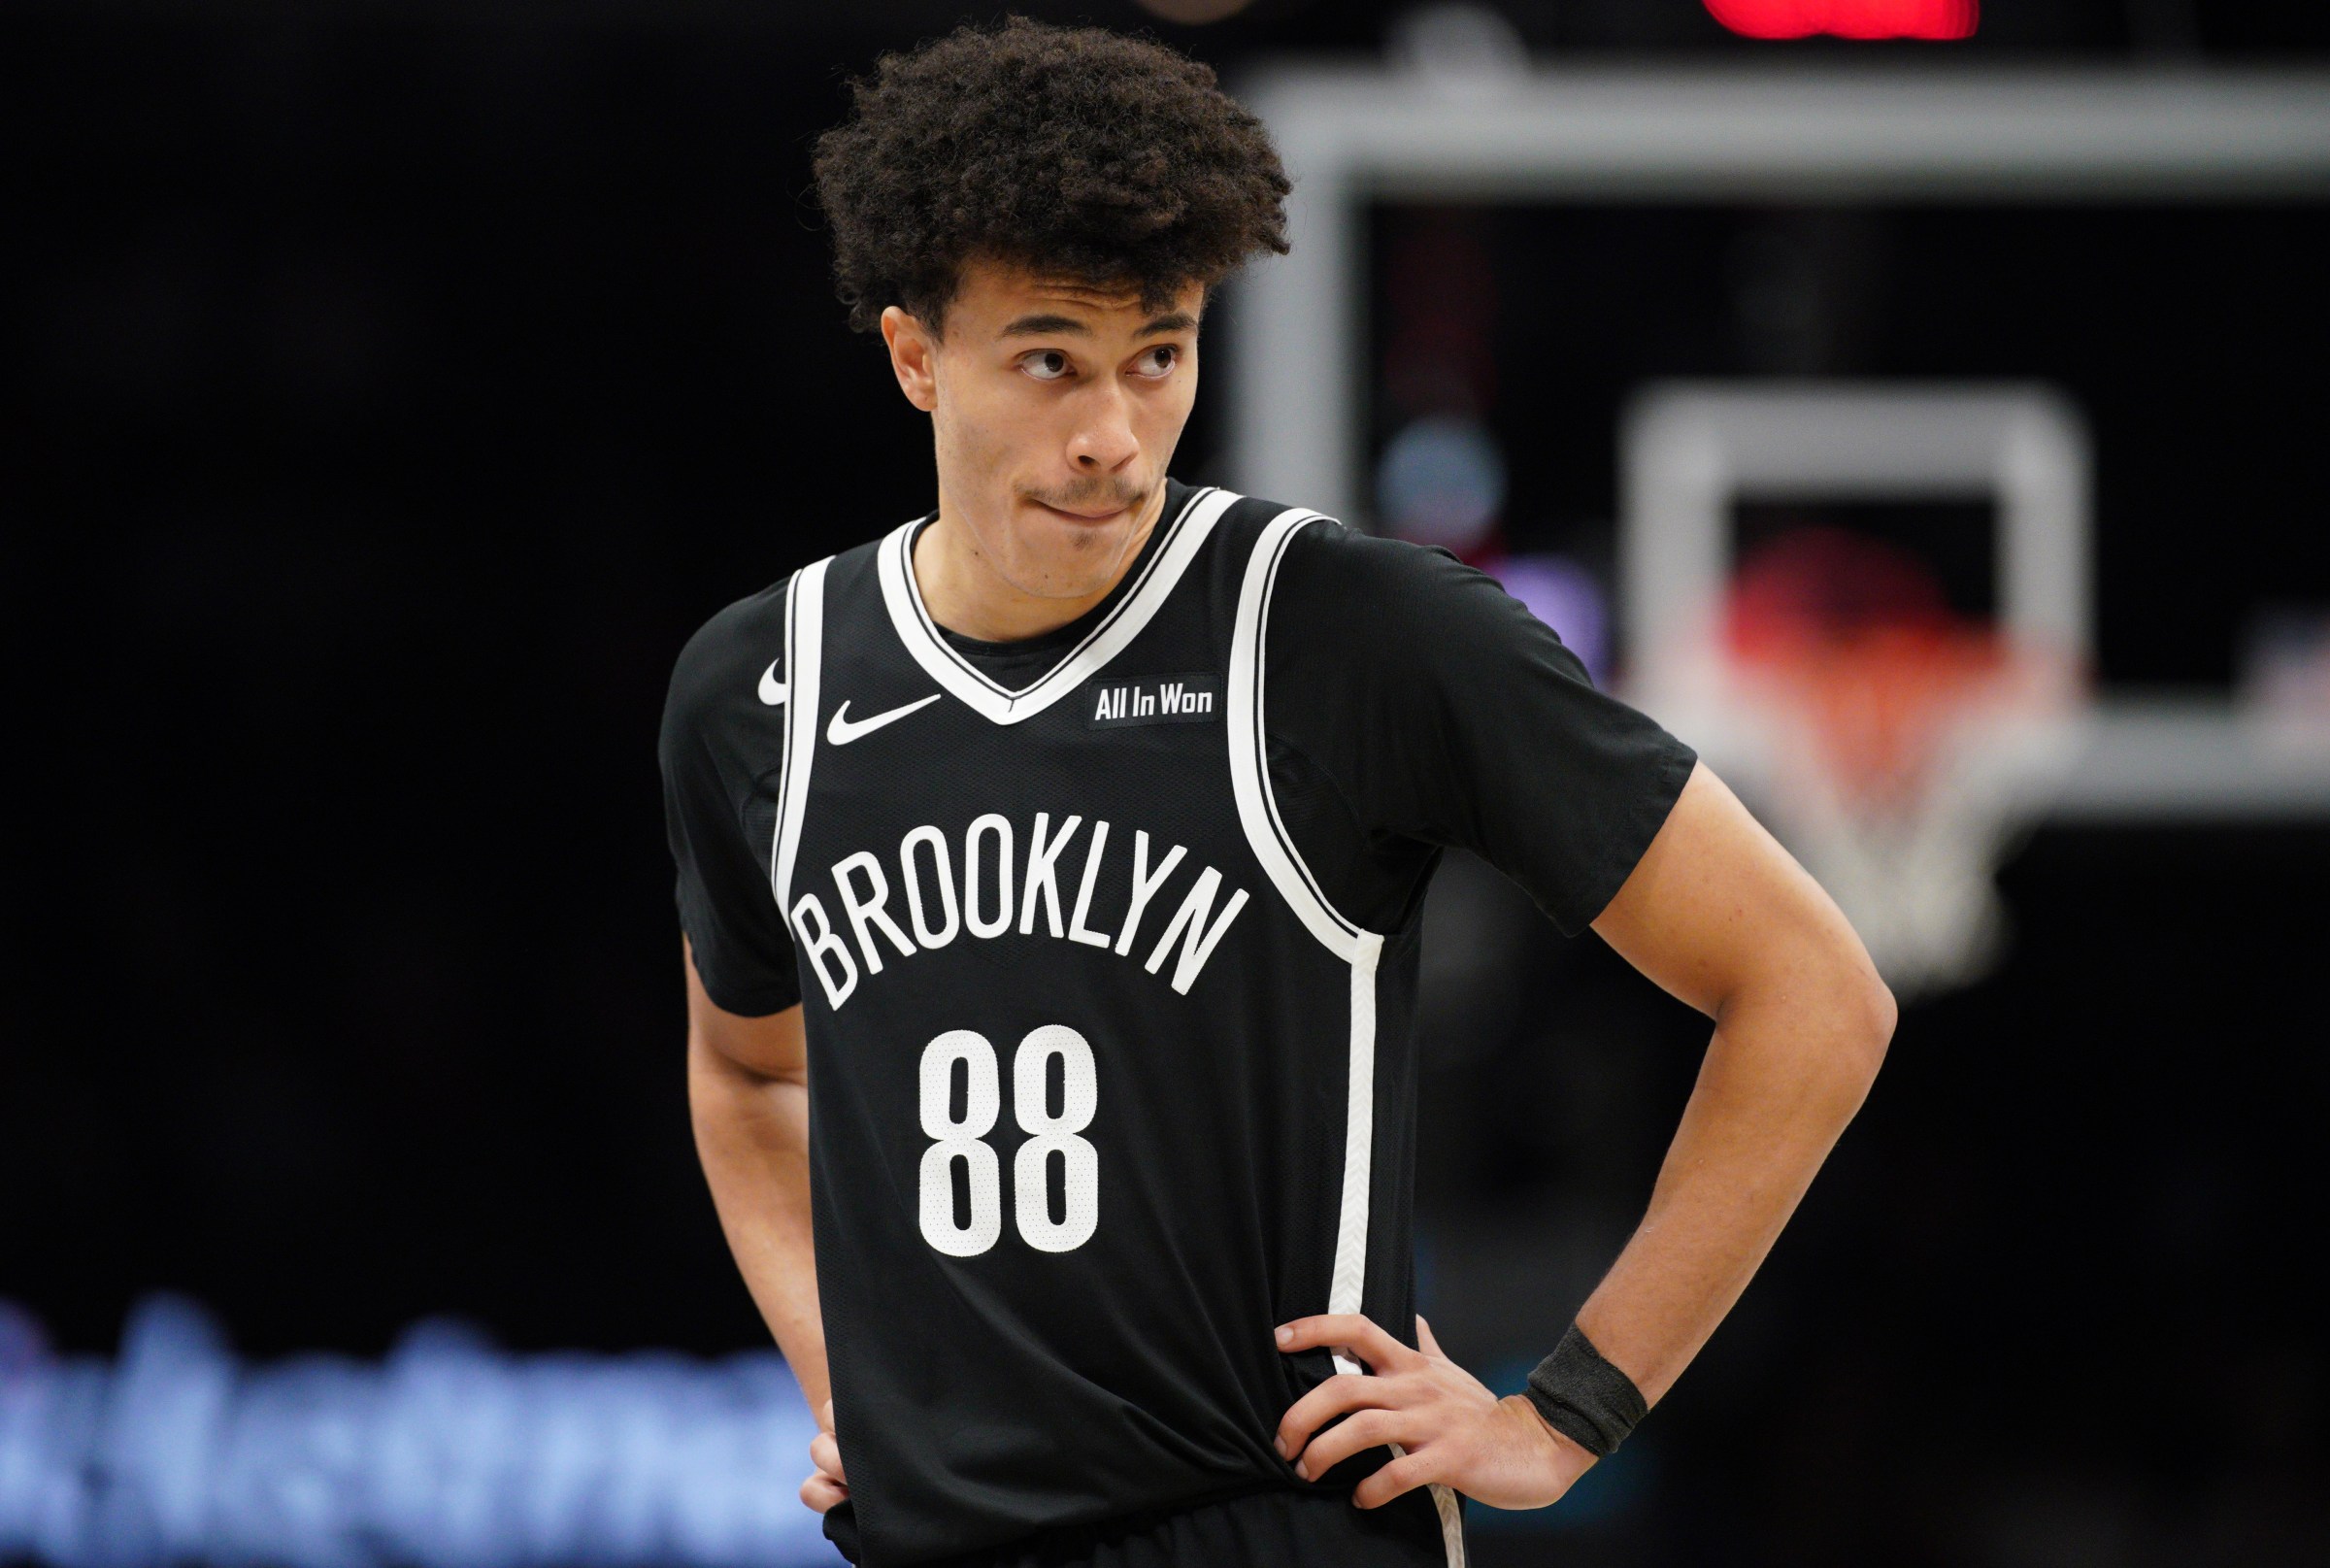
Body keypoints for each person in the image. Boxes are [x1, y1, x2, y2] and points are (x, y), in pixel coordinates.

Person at [659, 19, 1893, 1568]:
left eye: (1157, 357)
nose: (1111, 436)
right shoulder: (758, 688)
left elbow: (1812, 992)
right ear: (917, 355)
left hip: (1276, 1526)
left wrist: (1563, 1413)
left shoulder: (1354, 633)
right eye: (1049, 362)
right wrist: (849, 1373)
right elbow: (750, 1075)